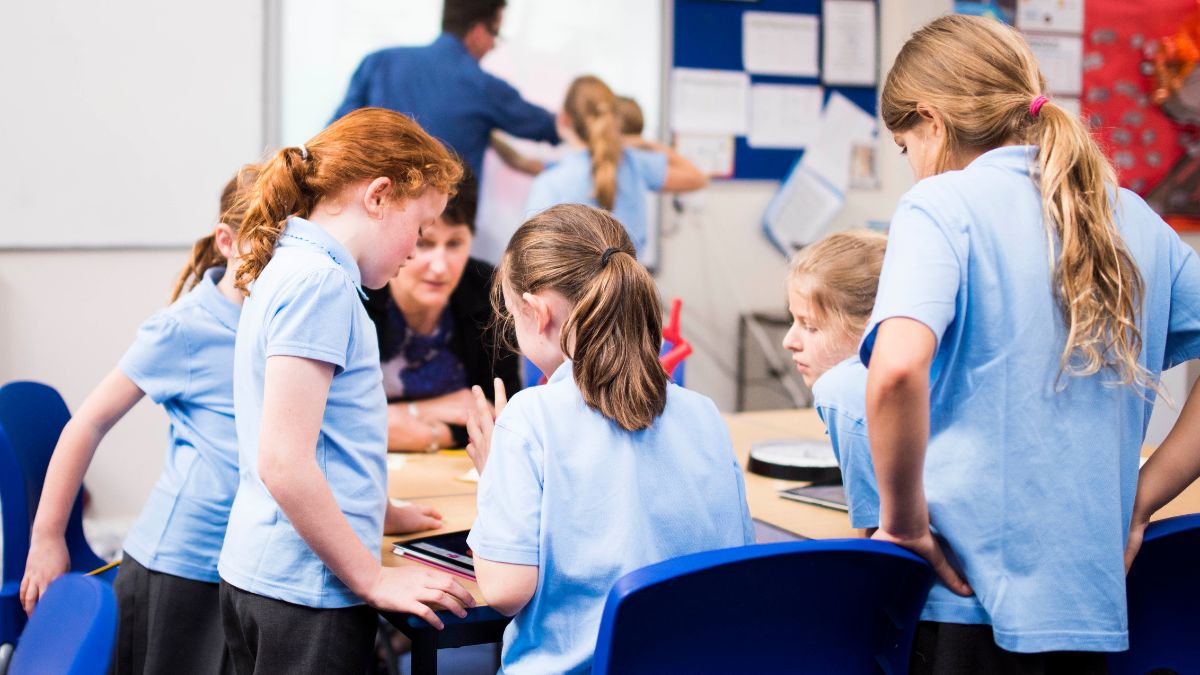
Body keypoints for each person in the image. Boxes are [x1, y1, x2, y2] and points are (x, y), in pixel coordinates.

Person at [863, 14, 1200, 672]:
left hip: (960, 601)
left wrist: (903, 522)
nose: (912, 171)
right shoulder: (1134, 216)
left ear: (931, 121)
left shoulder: (941, 205)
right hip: (1092, 601)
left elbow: (897, 368)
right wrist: (1140, 500)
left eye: (906, 149)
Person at [217, 108, 475, 675]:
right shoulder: (321, 285)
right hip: (305, 588)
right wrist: (373, 576)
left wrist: (380, 510)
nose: (415, 250)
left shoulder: (296, 266)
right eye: (421, 228)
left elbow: (322, 429)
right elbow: (285, 462)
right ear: (379, 196)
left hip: (269, 571)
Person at [462, 203, 754, 673]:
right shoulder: (703, 413)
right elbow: (735, 559)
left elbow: (503, 590)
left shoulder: (529, 417)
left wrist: (495, 476)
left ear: (536, 312)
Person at [20, 167, 256, 674]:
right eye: (268, 244)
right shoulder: (184, 329)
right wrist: (47, 538)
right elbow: (86, 423)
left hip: (247, 565)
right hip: (181, 568)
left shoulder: (285, 325)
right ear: (227, 241)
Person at [362, 170, 521, 452]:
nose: (440, 266)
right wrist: (434, 411)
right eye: (424, 243)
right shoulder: (360, 289)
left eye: (454, 244)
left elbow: (505, 416)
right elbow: (335, 420)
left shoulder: (489, 292)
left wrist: (425, 432)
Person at [331, 0, 558, 182]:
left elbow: (334, 136)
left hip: (372, 216)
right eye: (495, 34)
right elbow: (549, 126)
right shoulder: (483, 88)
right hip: (446, 229)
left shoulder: (378, 63)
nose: (494, 45)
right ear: (478, 32)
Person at [525, 76, 706, 257]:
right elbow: (697, 178)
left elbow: (530, 259)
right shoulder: (634, 162)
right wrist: (645, 143)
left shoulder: (551, 183)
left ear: (563, 119)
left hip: (573, 286)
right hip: (634, 284)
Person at [781, 230, 886, 535]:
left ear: (870, 331)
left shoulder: (844, 391)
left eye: (810, 326)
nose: (789, 341)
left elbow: (881, 545)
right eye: (793, 320)